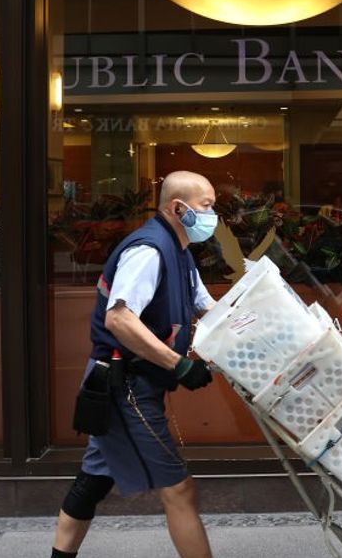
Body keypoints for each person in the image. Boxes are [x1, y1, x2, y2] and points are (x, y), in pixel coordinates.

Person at [52, 171, 220, 558]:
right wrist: (180, 366)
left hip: (128, 383)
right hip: (124, 387)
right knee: (179, 490)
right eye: (207, 206)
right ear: (179, 208)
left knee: (93, 481)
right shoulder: (149, 251)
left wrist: (254, 322)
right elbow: (120, 319)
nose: (214, 216)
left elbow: (204, 304)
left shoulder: (179, 251)